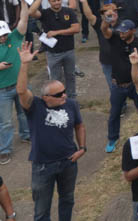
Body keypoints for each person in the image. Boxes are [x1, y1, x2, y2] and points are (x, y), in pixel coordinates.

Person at [17, 41, 86, 221]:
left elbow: (79, 125)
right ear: (46, 97)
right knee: (41, 210)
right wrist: (24, 64)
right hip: (43, 166)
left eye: (63, 91)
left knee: (67, 199)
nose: (64, 95)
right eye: (58, 94)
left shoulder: (71, 104)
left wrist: (82, 148)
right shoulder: (35, 107)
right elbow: (22, 91)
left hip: (68, 162)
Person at [101, 18, 138, 153]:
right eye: (120, 32)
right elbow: (104, 30)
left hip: (135, 85)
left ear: (133, 31)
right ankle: (112, 138)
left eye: (124, 32)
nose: (121, 34)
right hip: (118, 86)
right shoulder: (115, 38)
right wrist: (106, 20)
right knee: (114, 113)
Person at [0, 0, 29, 164]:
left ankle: (26, 135)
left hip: (19, 84)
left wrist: (24, 3)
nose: (3, 38)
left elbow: (24, 20)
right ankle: (4, 150)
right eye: (1, 36)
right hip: (2, 90)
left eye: (4, 34)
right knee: (5, 122)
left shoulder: (14, 37)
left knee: (24, 112)